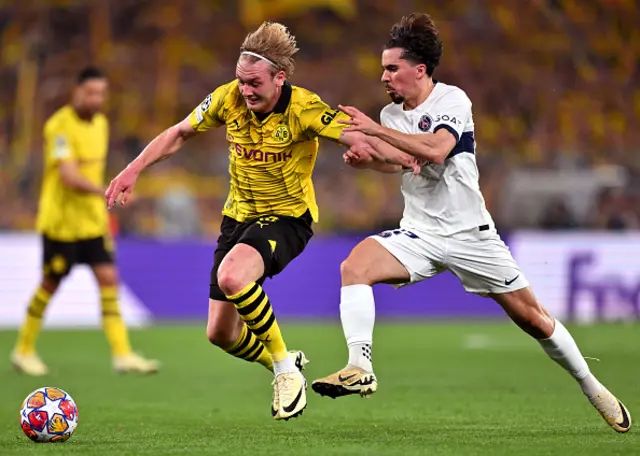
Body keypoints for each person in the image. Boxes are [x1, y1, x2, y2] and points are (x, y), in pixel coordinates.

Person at [311, 13, 632, 433]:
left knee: (534, 319)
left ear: (419, 69)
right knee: (354, 267)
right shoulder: (391, 115)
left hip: (471, 234)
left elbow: (438, 150)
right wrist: (368, 160)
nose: (384, 76)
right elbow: (403, 162)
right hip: (419, 232)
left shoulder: (452, 101)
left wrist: (375, 133)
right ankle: (359, 365)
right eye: (383, 68)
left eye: (392, 68)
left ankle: (592, 387)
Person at [105, 22, 416, 421]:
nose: (245, 90)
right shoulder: (227, 98)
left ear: (280, 77)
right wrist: (134, 169)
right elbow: (180, 132)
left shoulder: (304, 107)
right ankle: (281, 362)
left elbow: (359, 139)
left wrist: (402, 159)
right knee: (220, 334)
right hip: (238, 219)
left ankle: (286, 371)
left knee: (234, 277)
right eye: (240, 81)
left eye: (253, 82)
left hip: (288, 218)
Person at [12, 67, 159, 376]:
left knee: (108, 280)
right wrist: (104, 190)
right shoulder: (59, 126)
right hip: (61, 223)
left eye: (101, 93)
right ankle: (23, 350)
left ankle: (123, 354)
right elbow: (67, 175)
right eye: (90, 92)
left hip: (92, 223)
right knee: (50, 283)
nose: (96, 99)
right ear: (76, 92)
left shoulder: (102, 124)